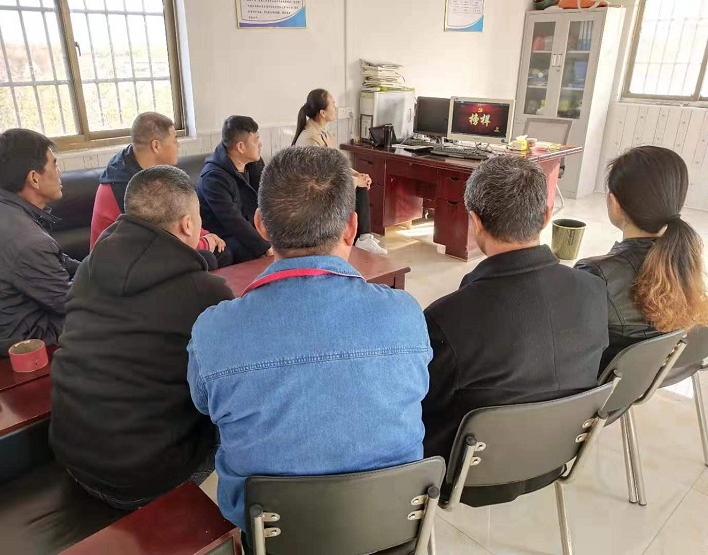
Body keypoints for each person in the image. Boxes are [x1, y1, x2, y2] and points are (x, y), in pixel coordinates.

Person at [188, 146, 430, 537]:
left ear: (261, 225)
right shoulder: (406, 313)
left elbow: (204, 406)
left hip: (272, 534)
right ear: (351, 228)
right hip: (392, 526)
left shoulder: (213, 331)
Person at [422, 155, 608, 506]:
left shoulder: (447, 318)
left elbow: (423, 404)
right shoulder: (594, 290)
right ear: (546, 215)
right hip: (555, 456)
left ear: (475, 222)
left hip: (462, 477)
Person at [51, 165, 234, 511]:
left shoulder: (88, 269)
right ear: (188, 225)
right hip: (146, 480)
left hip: (73, 459)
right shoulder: (205, 293)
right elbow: (231, 386)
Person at [576, 146, 708, 371]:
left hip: (599, 385)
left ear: (614, 203)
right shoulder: (685, 263)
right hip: (649, 377)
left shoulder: (596, 275)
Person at [0, 129, 78, 358]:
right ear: (34, 178)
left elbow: (58, 262)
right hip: (16, 342)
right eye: (54, 165)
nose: (59, 172)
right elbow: (70, 303)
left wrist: (95, 266)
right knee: (109, 313)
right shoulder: (28, 241)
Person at [90, 112, 230, 267]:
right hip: (121, 265)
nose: (178, 145)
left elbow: (181, 213)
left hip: (146, 253)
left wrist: (205, 235)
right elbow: (161, 240)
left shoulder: (146, 171)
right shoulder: (127, 186)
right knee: (209, 257)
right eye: (174, 140)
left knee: (219, 252)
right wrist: (204, 243)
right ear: (156, 146)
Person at [293, 88, 387, 255]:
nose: (336, 108)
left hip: (324, 184)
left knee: (361, 185)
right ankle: (363, 238)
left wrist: (357, 175)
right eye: (333, 105)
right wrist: (354, 181)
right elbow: (322, 178)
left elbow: (336, 163)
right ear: (322, 112)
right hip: (313, 193)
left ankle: (363, 237)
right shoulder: (310, 139)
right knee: (358, 187)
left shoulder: (323, 133)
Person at [196, 116, 272, 264]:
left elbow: (269, 197)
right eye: (256, 140)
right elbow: (233, 221)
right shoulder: (213, 178)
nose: (260, 144)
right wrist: (265, 248)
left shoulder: (254, 164)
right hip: (225, 236)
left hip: (252, 227)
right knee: (250, 251)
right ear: (241, 147)